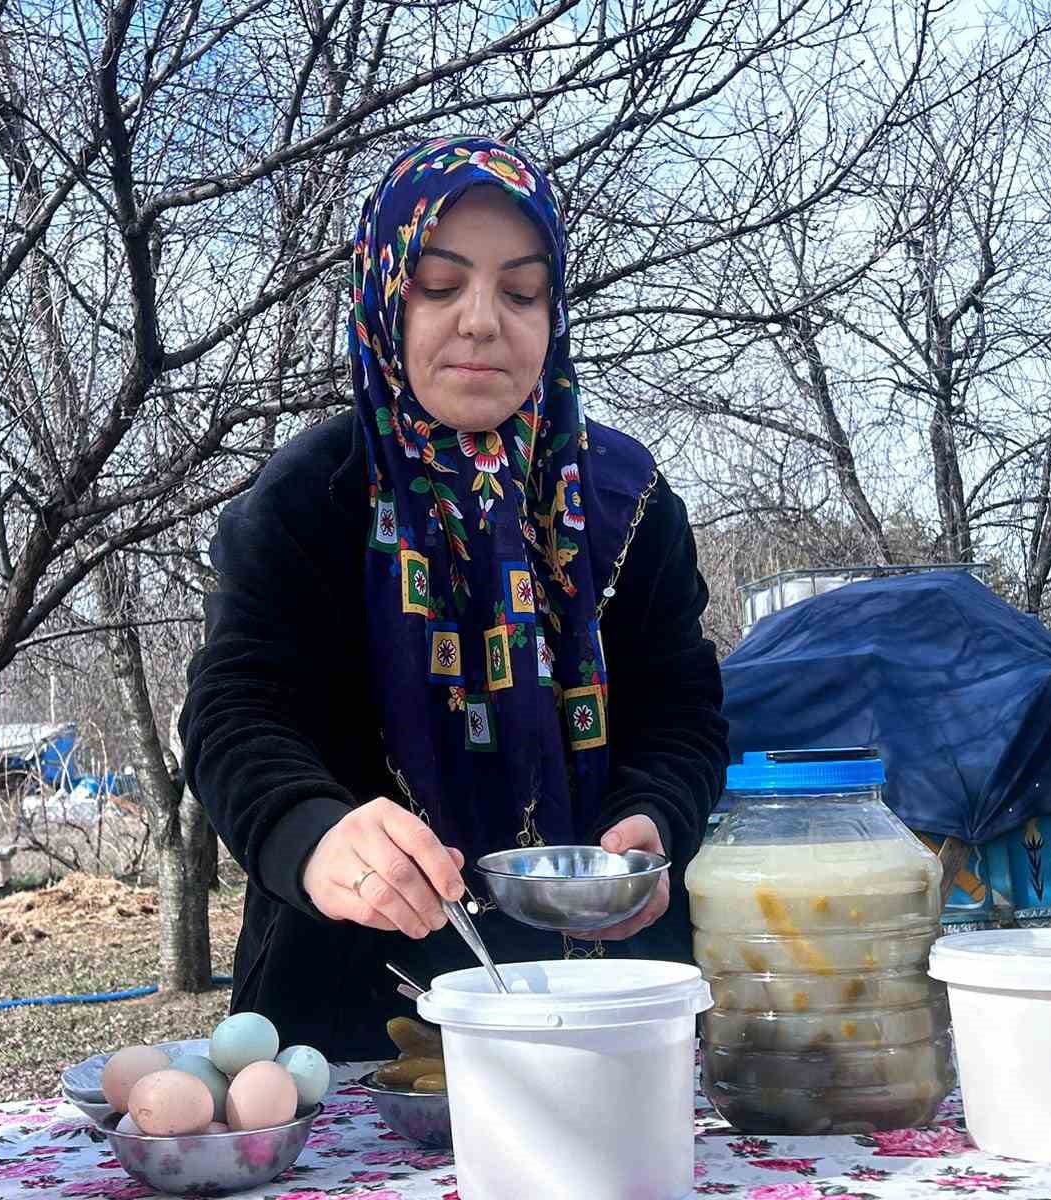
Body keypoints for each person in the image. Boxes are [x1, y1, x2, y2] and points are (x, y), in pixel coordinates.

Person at [180, 134, 727, 1059]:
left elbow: (683, 714)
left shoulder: (626, 504)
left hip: (607, 1004)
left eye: (520, 292)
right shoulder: (311, 497)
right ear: (386, 298)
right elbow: (235, 714)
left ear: (554, 314)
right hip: (350, 1017)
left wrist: (654, 818)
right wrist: (313, 835)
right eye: (440, 286)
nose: (482, 321)